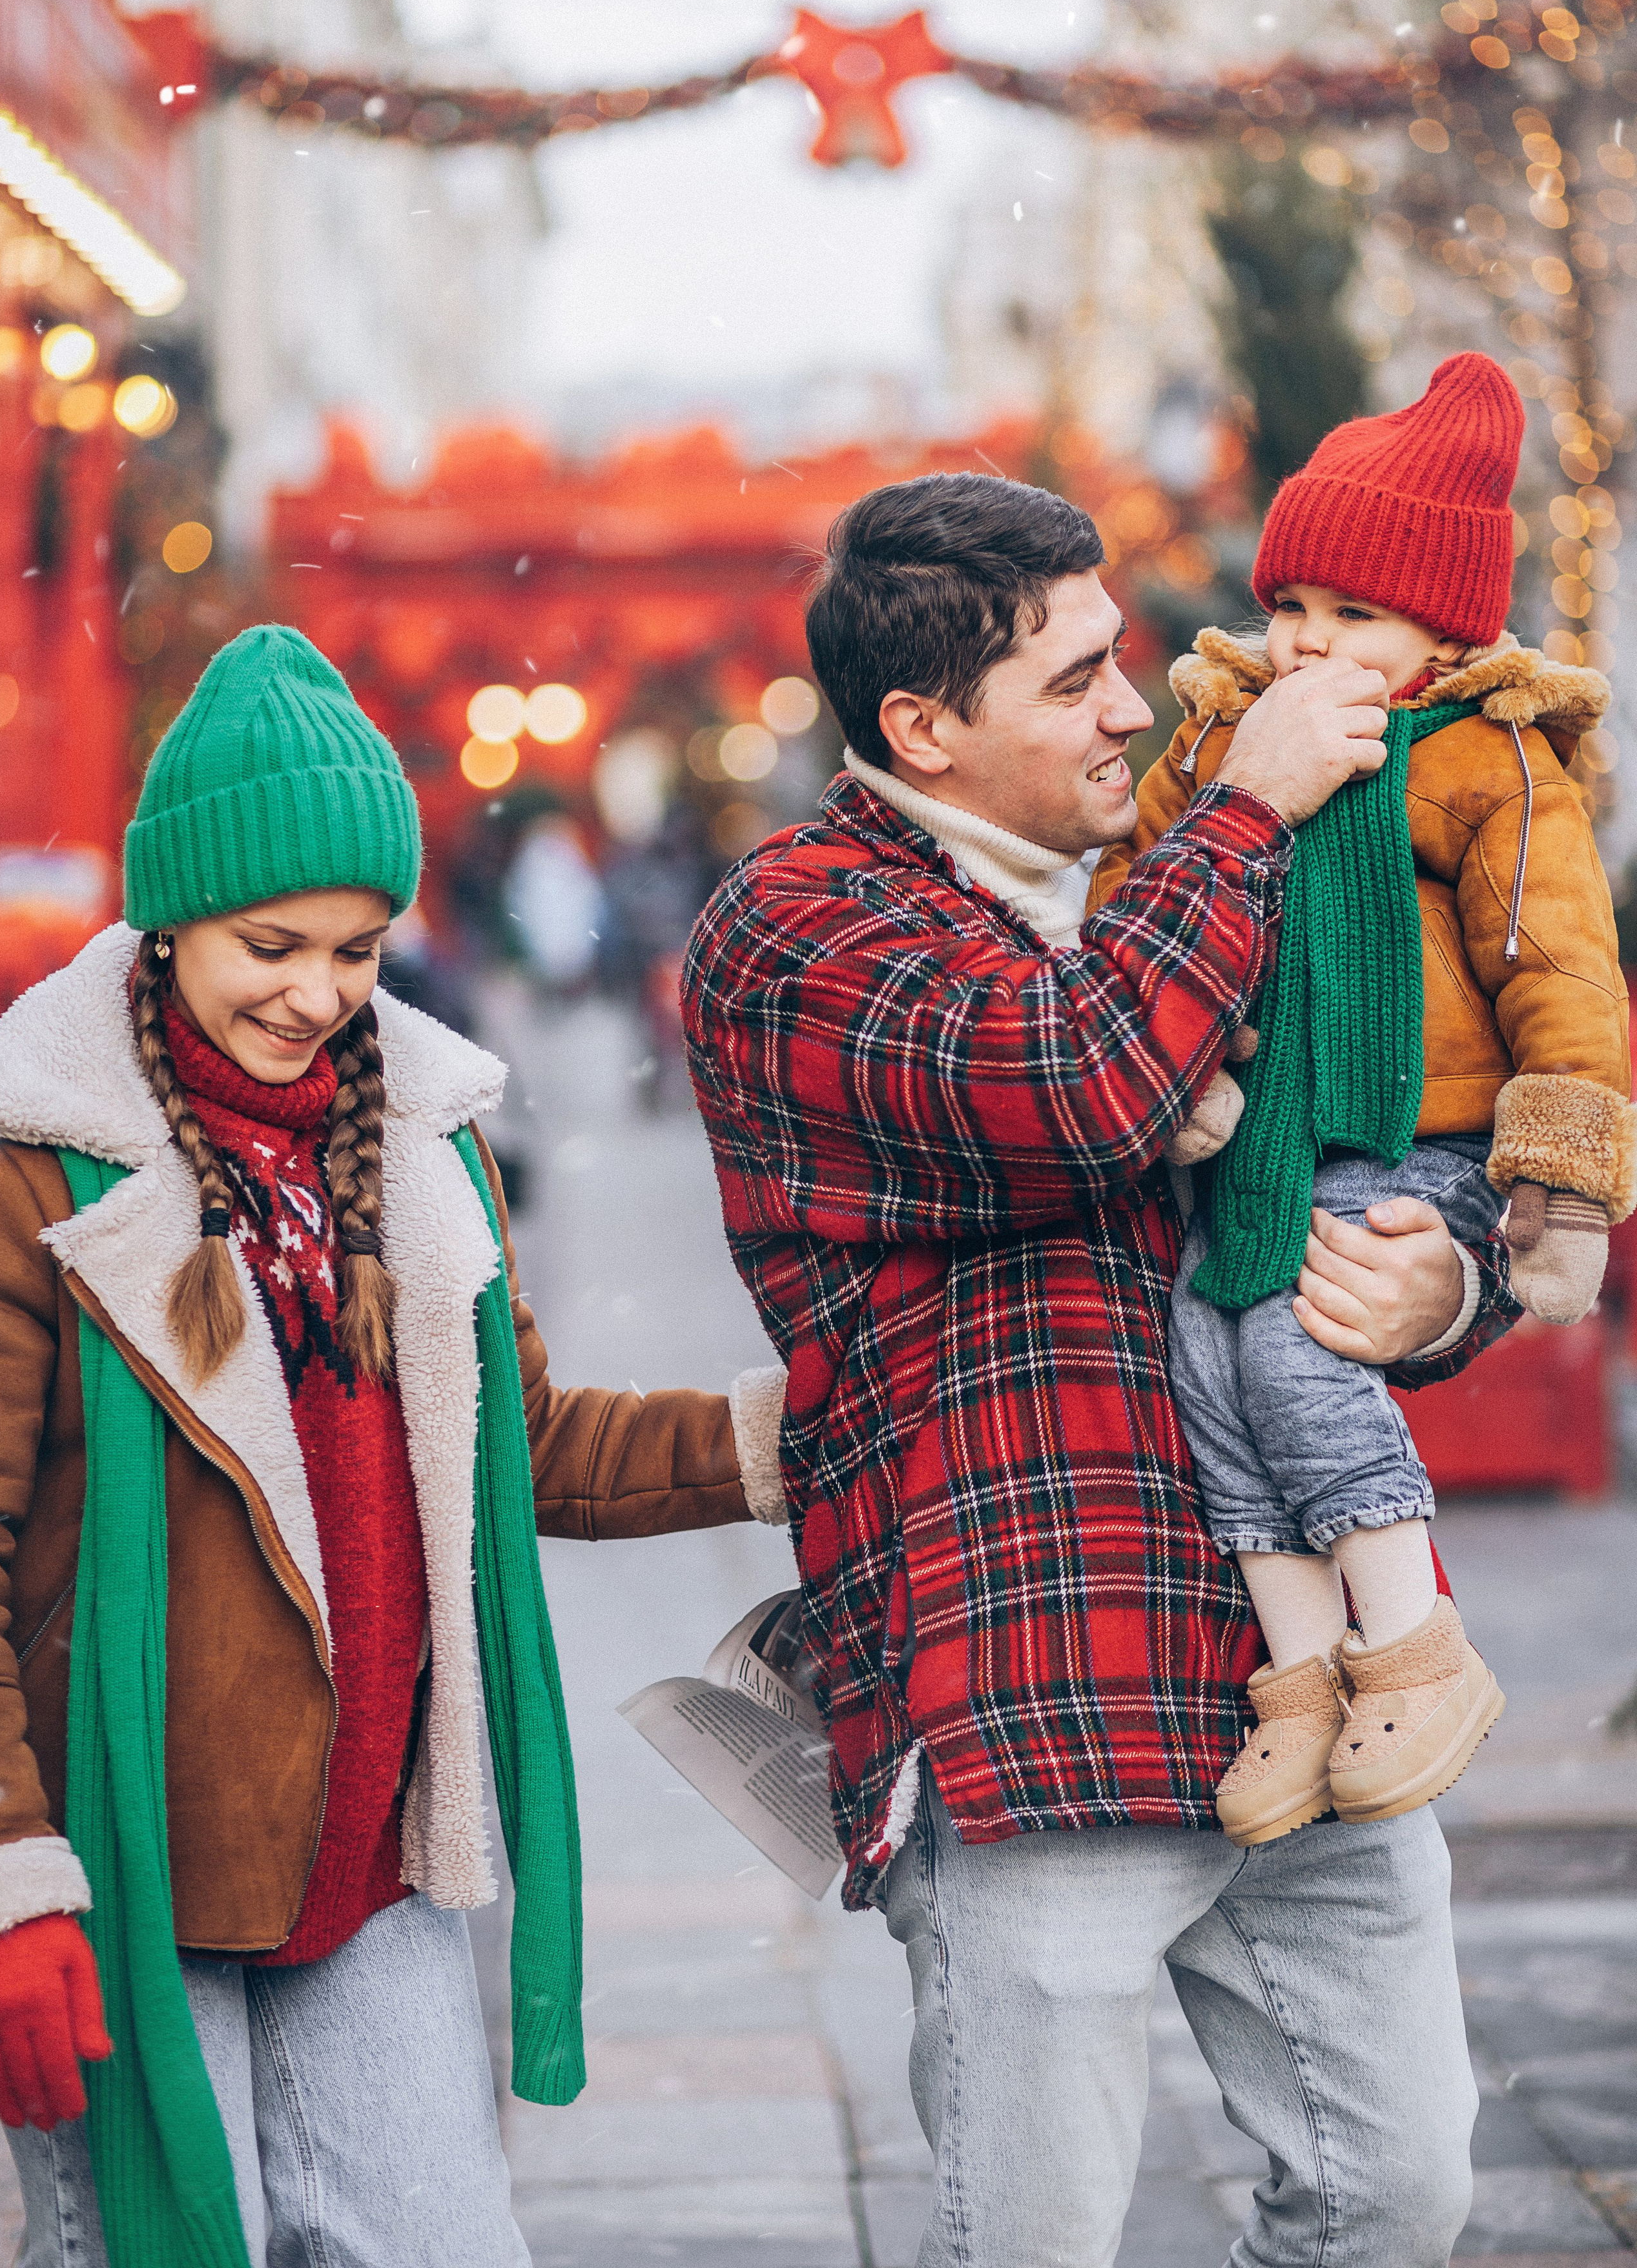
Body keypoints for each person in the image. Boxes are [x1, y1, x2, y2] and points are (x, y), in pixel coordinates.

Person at [681, 471, 1521, 2268]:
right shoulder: (798, 923)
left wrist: (1445, 1281)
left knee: (1404, 2191)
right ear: (922, 723)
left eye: (1124, 660)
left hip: (1315, 1682)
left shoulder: (1167, 877)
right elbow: (1072, 1091)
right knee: (1037, 2241)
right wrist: (1248, 813)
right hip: (1032, 1680)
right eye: (1075, 680)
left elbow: (1397, 1141)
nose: (1136, 709)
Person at [0, 625, 783, 2267]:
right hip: (136, 1842)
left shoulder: (422, 1149)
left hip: (372, 1850)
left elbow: (532, 1445)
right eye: (268, 945)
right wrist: (6, 1868)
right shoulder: (32, 1173)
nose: (315, 996)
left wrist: (796, 1435)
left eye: (355, 952)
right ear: (168, 920)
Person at [1089, 352, 1632, 1847]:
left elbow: (1558, 971)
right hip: (1259, 1134)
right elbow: (1137, 900)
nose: (1309, 644)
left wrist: (1560, 1180)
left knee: (1299, 1344)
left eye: (1354, 617)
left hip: (1418, 1141)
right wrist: (1182, 1066)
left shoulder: (1481, 760)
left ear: (1438, 632)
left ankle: (1411, 1646)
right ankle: (1302, 1681)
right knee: (1206, 1354)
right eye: (1291, 610)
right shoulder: (1218, 738)